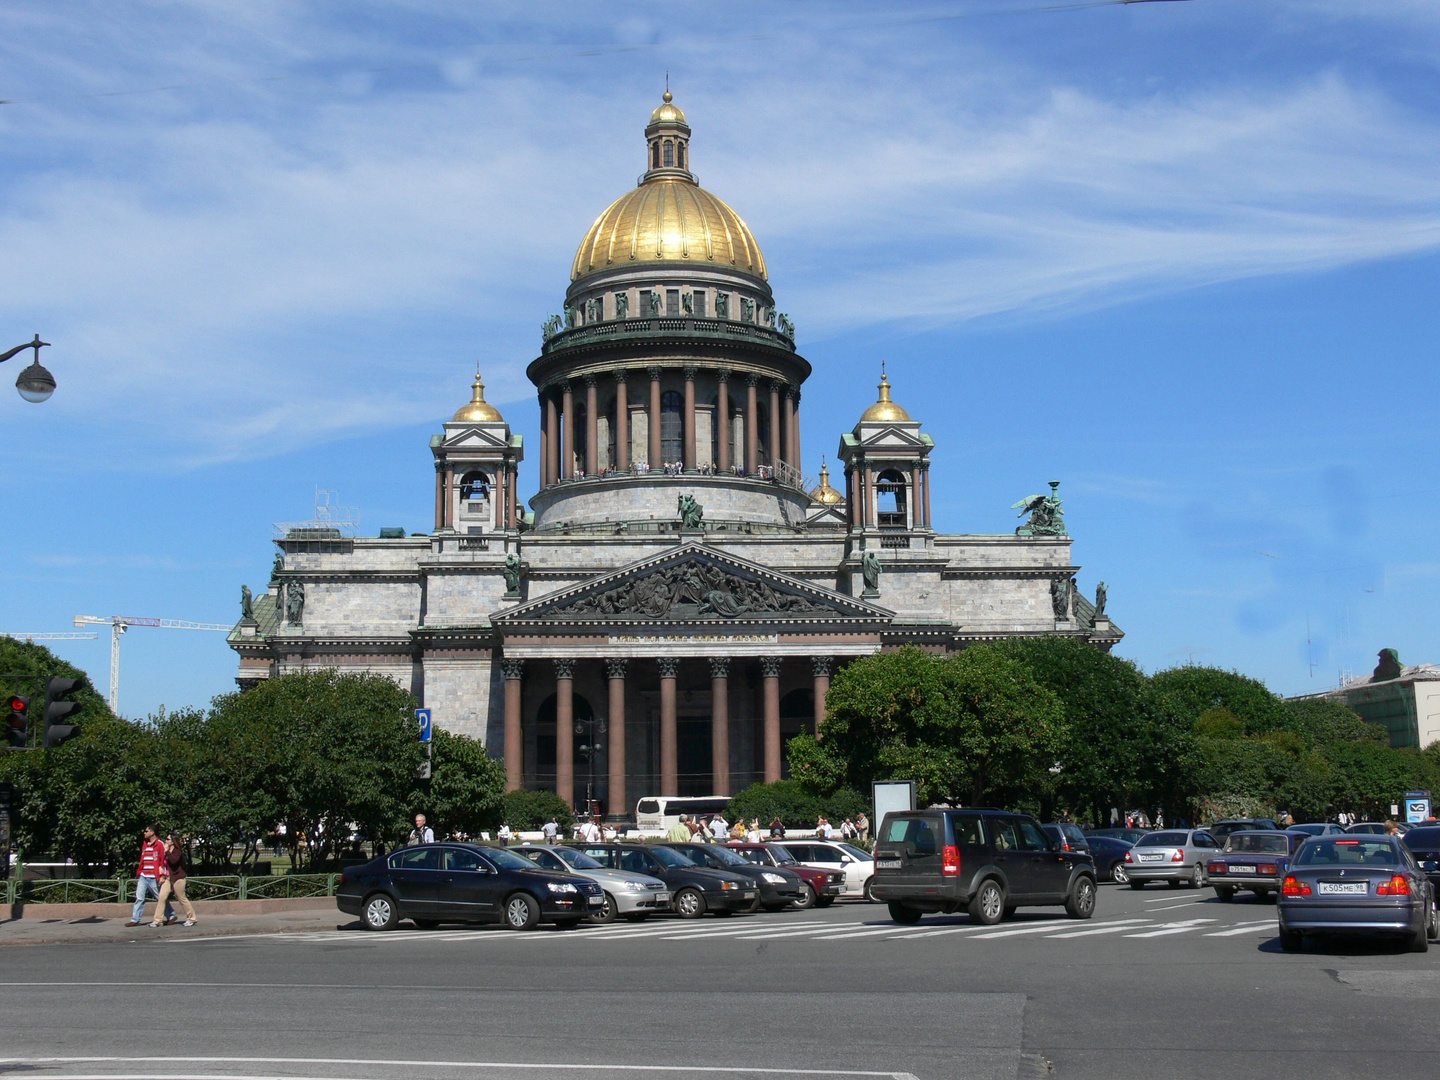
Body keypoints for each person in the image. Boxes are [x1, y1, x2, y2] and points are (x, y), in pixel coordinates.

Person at [126, 825, 174, 928]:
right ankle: (135, 919)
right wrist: (140, 871)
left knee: (160, 898)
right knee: (139, 898)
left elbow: (163, 861)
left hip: (154, 876)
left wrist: (162, 875)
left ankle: (171, 915)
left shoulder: (160, 844)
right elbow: (143, 858)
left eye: (146, 831)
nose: (144, 833)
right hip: (144, 875)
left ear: (152, 833)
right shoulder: (145, 844)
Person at [151, 834, 197, 928]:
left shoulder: (177, 851)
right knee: (162, 897)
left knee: (182, 898)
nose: (166, 841)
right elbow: (163, 863)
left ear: (173, 841)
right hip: (168, 877)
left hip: (178, 877)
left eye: (168, 839)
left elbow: (173, 861)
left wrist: (167, 851)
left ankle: (192, 918)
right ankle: (157, 920)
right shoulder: (166, 851)